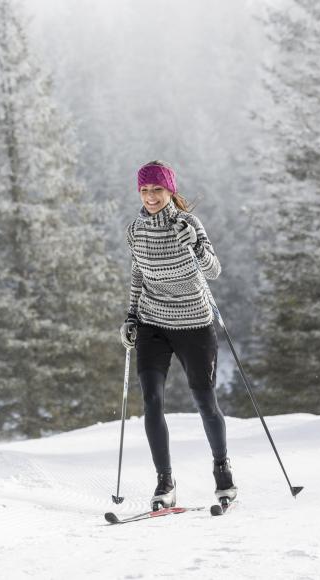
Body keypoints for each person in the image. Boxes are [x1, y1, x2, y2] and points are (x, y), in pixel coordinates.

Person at [120, 160, 236, 510]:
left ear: (170, 190)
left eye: (157, 189)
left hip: (194, 324)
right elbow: (138, 273)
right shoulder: (135, 230)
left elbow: (214, 271)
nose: (151, 196)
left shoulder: (189, 224)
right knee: (152, 401)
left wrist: (197, 246)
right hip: (152, 323)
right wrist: (130, 316)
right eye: (144, 190)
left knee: (205, 403)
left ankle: (222, 468)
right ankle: (165, 481)